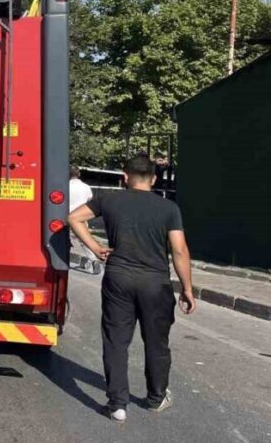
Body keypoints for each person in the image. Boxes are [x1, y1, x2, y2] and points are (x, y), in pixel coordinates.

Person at [68, 154, 196, 424]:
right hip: (155, 284)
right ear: (154, 178)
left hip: (118, 279)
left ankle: (117, 405)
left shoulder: (109, 200)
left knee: (116, 341)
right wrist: (187, 288)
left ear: (124, 177)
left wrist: (95, 248)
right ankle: (156, 397)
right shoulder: (168, 208)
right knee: (156, 342)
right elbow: (179, 250)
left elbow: (74, 218)